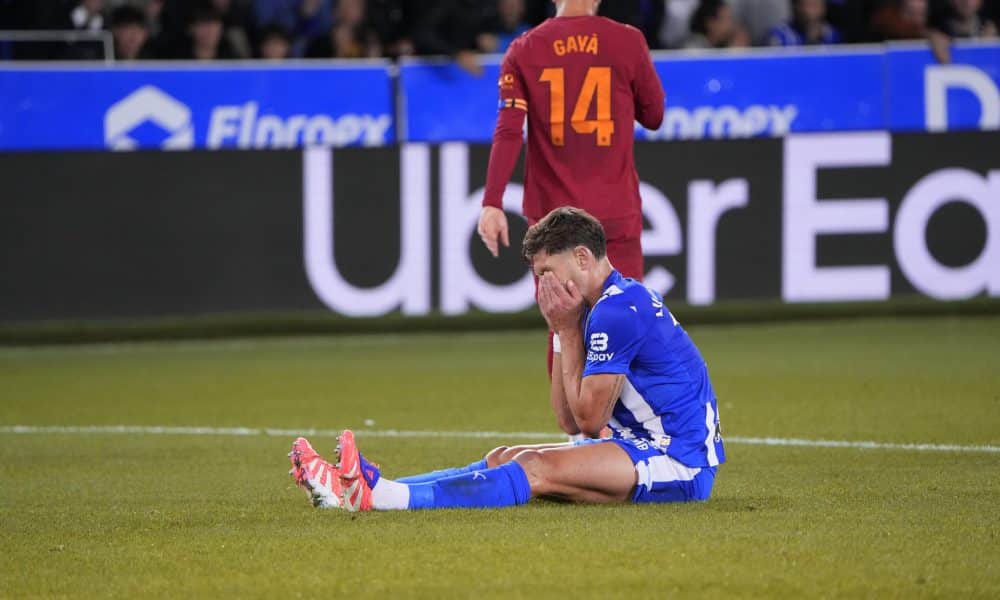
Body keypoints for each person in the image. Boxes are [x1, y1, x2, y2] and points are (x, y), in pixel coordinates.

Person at [288, 207, 726, 511]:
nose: (542, 286)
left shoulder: (616, 310)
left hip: (677, 460)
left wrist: (568, 329)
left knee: (532, 467)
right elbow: (567, 420)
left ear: (581, 257)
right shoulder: (598, 306)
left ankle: (377, 499)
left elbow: (588, 422)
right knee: (503, 456)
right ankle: (377, 487)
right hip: (635, 446)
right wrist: (561, 330)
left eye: (546, 273)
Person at [476, 0, 665, 423]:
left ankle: (578, 439)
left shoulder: (525, 49)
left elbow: (509, 129)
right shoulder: (627, 41)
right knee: (626, 319)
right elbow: (654, 115)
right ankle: (634, 432)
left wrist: (492, 201)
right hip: (614, 214)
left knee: (563, 326)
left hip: (553, 228)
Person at [767, 0, 841, 45]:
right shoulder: (780, 35)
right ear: (795, 6)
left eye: (814, 5)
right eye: (807, 5)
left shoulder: (832, 34)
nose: (809, 12)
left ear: (823, 8)